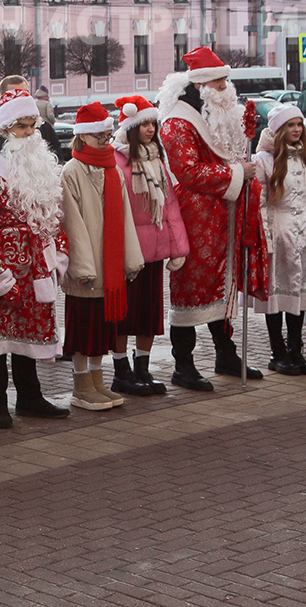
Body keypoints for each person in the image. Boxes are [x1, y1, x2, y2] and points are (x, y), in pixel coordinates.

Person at [157, 47, 266, 390]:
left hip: (224, 215)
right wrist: (236, 172)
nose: (226, 87)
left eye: (226, 80)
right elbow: (187, 171)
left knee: (223, 286)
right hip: (194, 219)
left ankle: (225, 352)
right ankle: (183, 364)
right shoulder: (177, 121)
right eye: (220, 81)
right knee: (192, 290)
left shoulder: (216, 113)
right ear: (203, 85)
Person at [0, 89, 70, 427]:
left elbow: (53, 211)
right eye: (22, 127)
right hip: (3, 270)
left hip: (37, 266)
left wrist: (58, 255)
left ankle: (30, 397)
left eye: (32, 125)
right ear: (6, 128)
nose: (29, 133)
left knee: (28, 339)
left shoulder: (37, 164)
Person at [61, 103, 144, 410]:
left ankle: (97, 380)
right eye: (98, 136)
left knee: (102, 328)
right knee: (83, 329)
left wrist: (130, 260)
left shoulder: (112, 170)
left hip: (109, 269)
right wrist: (82, 266)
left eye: (108, 136)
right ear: (82, 138)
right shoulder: (71, 172)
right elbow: (72, 223)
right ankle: (81, 384)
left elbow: (125, 218)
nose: (105, 142)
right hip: (87, 269)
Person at [109, 96, 188, 397]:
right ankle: (121, 370)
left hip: (154, 251)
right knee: (123, 313)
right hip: (129, 253)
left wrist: (178, 247)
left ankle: (143, 367)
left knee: (149, 313)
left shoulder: (158, 160)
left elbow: (170, 207)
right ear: (130, 126)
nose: (150, 129)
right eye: (144, 123)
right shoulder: (117, 161)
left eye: (153, 123)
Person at [250, 104, 306, 376]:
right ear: (278, 130)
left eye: (299, 124)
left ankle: (296, 349)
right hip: (280, 232)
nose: (297, 129)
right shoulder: (265, 159)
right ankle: (278, 352)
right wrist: (266, 237)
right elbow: (260, 202)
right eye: (290, 125)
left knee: (299, 295)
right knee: (278, 296)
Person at [0, 75, 62, 166]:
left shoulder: (44, 128)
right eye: (17, 94)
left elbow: (58, 160)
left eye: (26, 94)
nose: (23, 99)